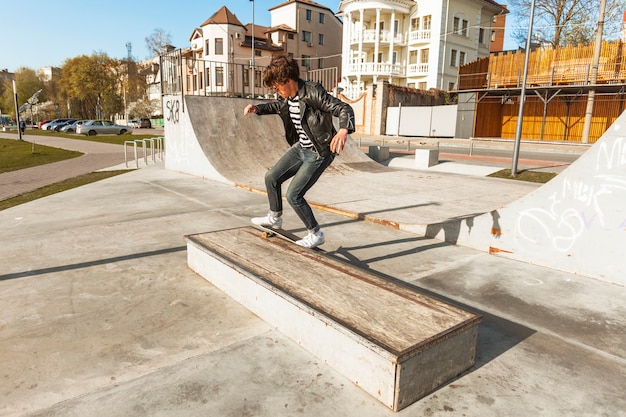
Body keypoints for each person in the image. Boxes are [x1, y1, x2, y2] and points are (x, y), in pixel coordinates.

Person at [244, 54, 355, 248]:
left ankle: (315, 233)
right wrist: (257, 108)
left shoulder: (313, 93)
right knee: (271, 177)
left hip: (319, 151)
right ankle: (275, 217)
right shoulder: (287, 98)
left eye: (277, 87)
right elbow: (277, 106)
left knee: (294, 195)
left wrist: (344, 129)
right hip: (301, 148)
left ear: (288, 81)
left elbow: (343, 107)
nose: (276, 91)